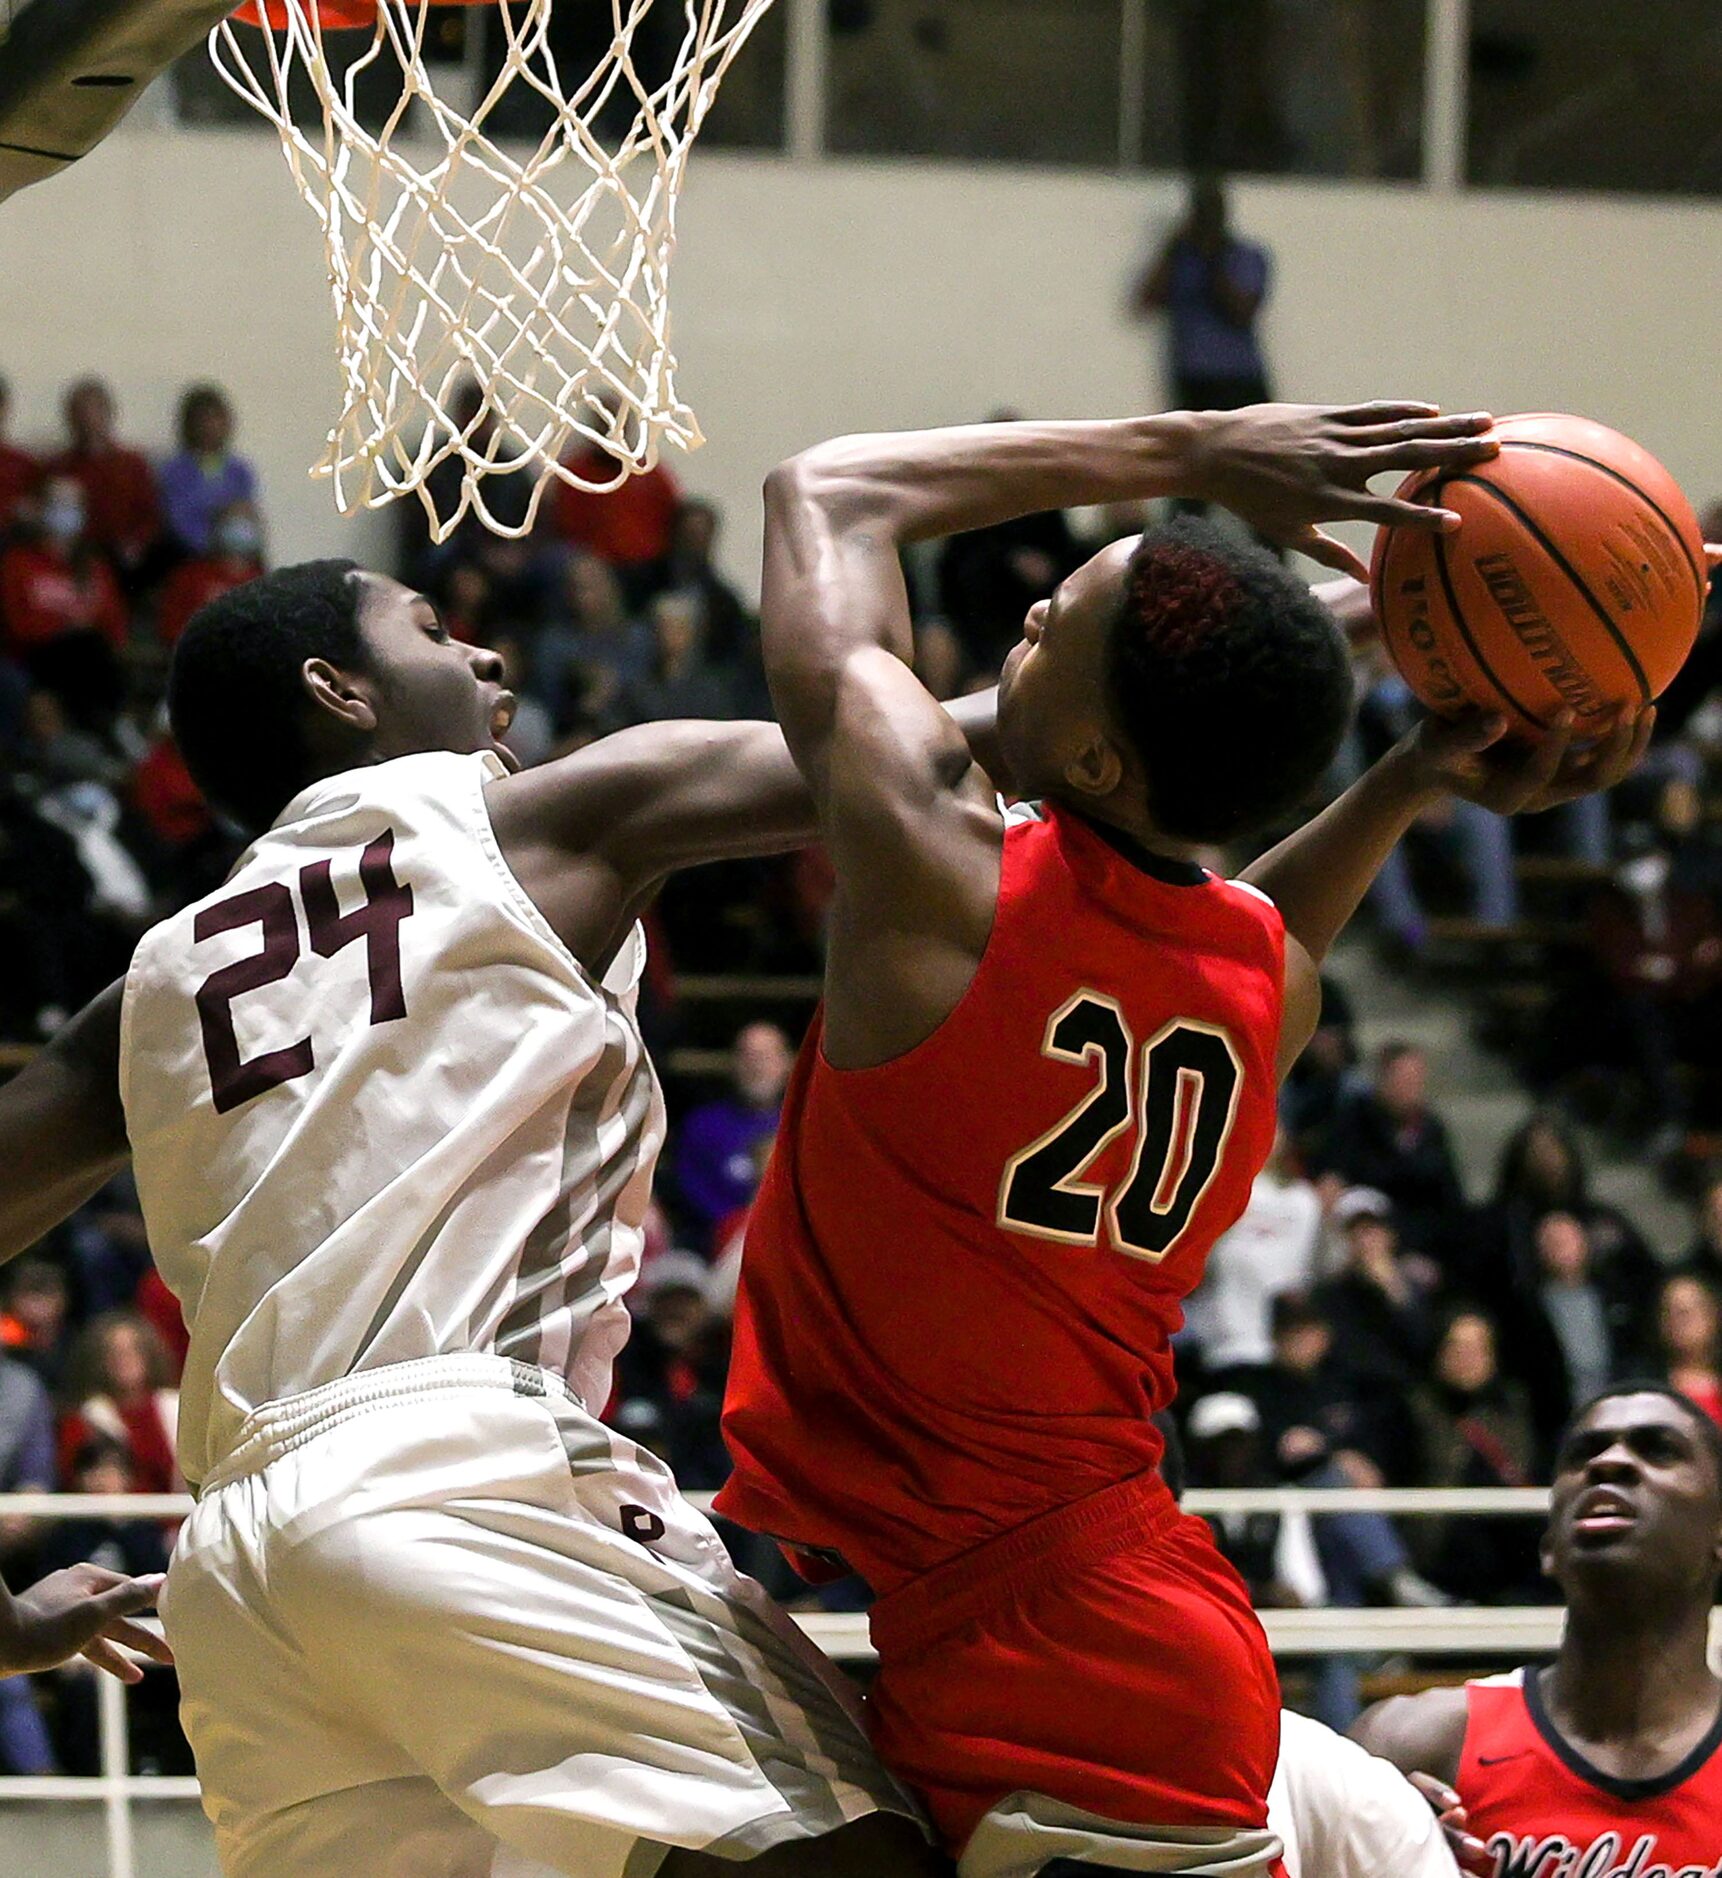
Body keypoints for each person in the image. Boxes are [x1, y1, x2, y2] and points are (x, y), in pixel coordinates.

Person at [716, 398, 1648, 1867]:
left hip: (1063, 1638)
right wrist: (1406, 771)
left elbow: (821, 488)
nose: (1022, 607)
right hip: (1096, 1609)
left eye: (1047, 624)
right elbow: (1272, 925)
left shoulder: (940, 868)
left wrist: (1188, 452)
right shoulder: (1251, 980)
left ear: (1090, 758)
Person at [0, 557, 991, 1876]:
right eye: (429, 628)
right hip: (458, 1470)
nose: (482, 657)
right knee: (850, 1850)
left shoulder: (157, 975)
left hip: (238, 1561)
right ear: (336, 689)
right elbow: (932, 751)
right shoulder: (529, 822)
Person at [1355, 1384, 1722, 1878]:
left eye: (1657, 1449)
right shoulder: (1408, 1745)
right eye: (1584, 1453)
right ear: (1548, 1545)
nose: (1609, 1462)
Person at [1132, 177, 1273, 416]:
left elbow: (1242, 312)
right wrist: (1171, 248)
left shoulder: (1246, 256)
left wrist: (1213, 259)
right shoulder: (1180, 258)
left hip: (1239, 375)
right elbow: (1144, 303)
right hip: (1192, 376)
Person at [673, 1022, 794, 1250]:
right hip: (709, 1248)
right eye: (748, 1055)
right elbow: (689, 1190)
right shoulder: (702, 1125)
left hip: (785, 1247)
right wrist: (734, 1224)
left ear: (786, 1063)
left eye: (765, 1056)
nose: (756, 1066)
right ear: (733, 1063)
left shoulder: (801, 1128)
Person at [43, 377, 159, 587]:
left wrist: (137, 542)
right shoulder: (57, 467)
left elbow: (150, 515)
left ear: (109, 413)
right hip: (73, 551)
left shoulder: (133, 464)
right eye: (79, 411)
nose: (87, 418)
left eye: (94, 410)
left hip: (123, 553)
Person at [157, 385, 262, 559]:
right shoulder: (174, 471)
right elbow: (178, 521)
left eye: (216, 418)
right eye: (203, 419)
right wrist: (217, 520)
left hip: (237, 554)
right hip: (191, 554)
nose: (210, 426)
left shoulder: (239, 470)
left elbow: (247, 515)